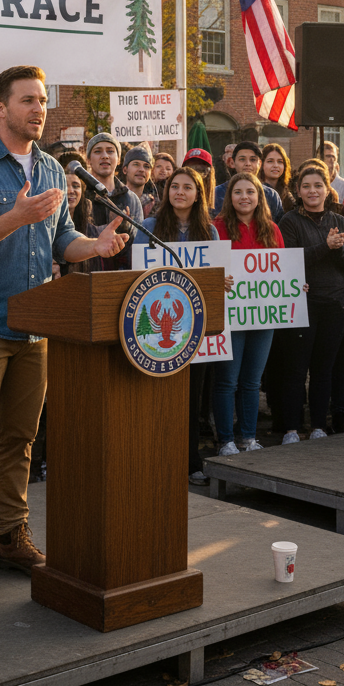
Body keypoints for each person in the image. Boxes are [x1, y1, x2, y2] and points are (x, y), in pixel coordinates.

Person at [0, 66, 128, 603]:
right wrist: (15, 218)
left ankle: (9, 537)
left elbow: (60, 238)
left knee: (20, 439)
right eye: (27, 100)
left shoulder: (49, 168)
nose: (39, 109)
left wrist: (93, 247)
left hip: (36, 325)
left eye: (42, 100)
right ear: (0, 107)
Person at [135, 166, 218, 485]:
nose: (180, 192)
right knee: (157, 399)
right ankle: (155, 461)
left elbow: (214, 279)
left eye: (187, 187)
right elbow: (136, 274)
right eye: (174, 186)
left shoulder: (209, 232)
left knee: (191, 399)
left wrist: (220, 282)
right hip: (156, 336)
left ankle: (191, 462)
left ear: (198, 195)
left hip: (194, 330)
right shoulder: (149, 227)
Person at [278, 163, 344, 443]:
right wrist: (326, 247)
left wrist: (337, 250)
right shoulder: (289, 221)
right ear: (298, 191)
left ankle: (317, 426)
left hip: (335, 305)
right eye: (306, 186)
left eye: (317, 186)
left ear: (328, 190)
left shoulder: (341, 222)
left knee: (323, 370)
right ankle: (291, 429)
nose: (312, 191)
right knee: (296, 369)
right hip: (302, 304)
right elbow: (290, 260)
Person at [212, 173, 280, 455]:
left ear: (259, 197)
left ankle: (248, 438)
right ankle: (226, 440)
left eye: (250, 192)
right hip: (230, 316)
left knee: (252, 381)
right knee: (227, 381)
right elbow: (209, 268)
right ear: (229, 198)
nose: (244, 197)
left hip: (263, 315)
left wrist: (294, 284)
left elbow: (281, 268)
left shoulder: (272, 229)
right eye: (238, 192)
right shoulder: (217, 228)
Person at [84, 133, 142, 269]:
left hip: (121, 276)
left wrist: (126, 228)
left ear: (119, 159)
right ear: (88, 160)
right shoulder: (81, 196)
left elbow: (138, 245)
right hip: (86, 274)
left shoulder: (131, 199)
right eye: (98, 151)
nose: (105, 156)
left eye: (110, 151)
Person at [213, 142, 283, 222]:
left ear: (260, 164)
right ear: (232, 163)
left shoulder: (271, 196)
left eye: (253, 160)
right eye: (242, 159)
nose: (248, 164)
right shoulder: (217, 194)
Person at [121, 146, 156, 218]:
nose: (142, 170)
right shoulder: (115, 199)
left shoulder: (155, 205)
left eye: (146, 166)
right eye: (136, 164)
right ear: (125, 170)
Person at [261, 143, 296, 212]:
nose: (275, 165)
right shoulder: (255, 190)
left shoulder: (287, 195)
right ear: (261, 164)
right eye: (270, 161)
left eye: (280, 162)